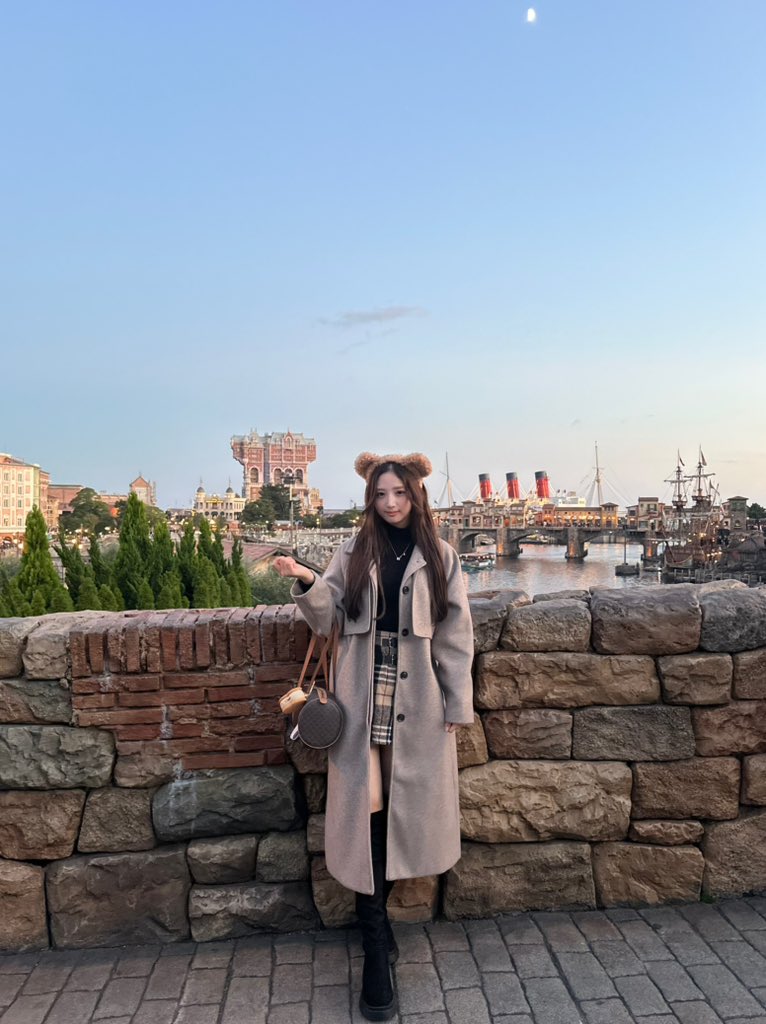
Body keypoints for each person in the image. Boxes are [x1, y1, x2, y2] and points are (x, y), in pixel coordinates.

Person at [274, 451, 474, 1022]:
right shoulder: (353, 551)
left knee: (399, 814)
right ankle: (376, 943)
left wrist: (457, 703)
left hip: (418, 704)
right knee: (367, 814)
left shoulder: (441, 556)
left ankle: (378, 934)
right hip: (361, 699)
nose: (390, 503)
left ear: (416, 495)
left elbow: (456, 636)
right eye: (381, 494)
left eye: (399, 493)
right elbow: (327, 618)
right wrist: (307, 579)